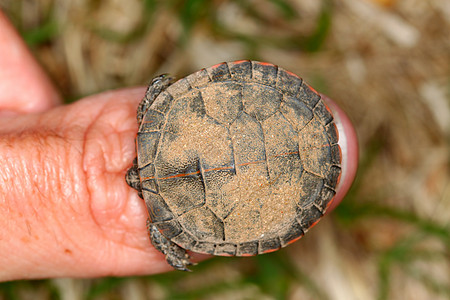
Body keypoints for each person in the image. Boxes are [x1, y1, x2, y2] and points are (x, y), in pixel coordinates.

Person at [0, 11, 358, 281]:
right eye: (138, 178)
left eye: (137, 177)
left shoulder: (170, 224)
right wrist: (159, 93)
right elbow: (158, 92)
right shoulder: (155, 132)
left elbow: (175, 243)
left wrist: (173, 253)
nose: (133, 179)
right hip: (280, 118)